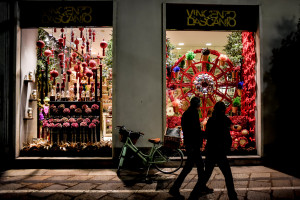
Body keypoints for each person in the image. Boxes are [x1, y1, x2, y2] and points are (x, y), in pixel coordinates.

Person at [169, 96, 213, 199]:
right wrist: (204, 135)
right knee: (190, 167)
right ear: (197, 105)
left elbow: (190, 130)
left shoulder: (187, 113)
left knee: (198, 166)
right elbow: (195, 131)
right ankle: (175, 188)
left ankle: (201, 186)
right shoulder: (192, 114)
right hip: (193, 145)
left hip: (190, 144)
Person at [201, 101, 238, 200]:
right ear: (223, 110)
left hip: (211, 150)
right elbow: (229, 133)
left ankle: (196, 191)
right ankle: (232, 195)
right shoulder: (225, 120)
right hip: (221, 151)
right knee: (227, 175)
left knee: (207, 173)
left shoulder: (211, 120)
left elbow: (207, 135)